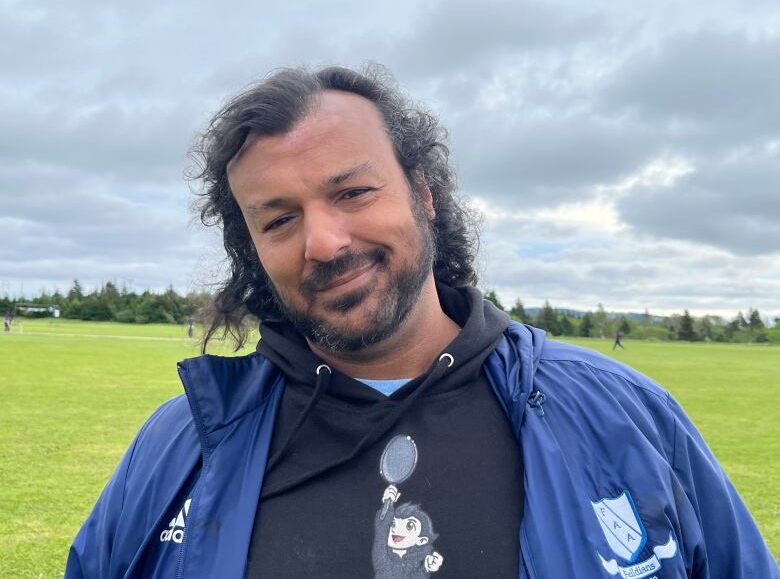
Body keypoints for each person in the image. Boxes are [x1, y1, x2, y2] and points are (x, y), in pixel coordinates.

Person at [66, 66, 779, 578]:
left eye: (352, 192)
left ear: (425, 195)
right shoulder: (180, 449)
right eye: (278, 219)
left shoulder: (625, 417)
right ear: (250, 248)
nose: (324, 242)